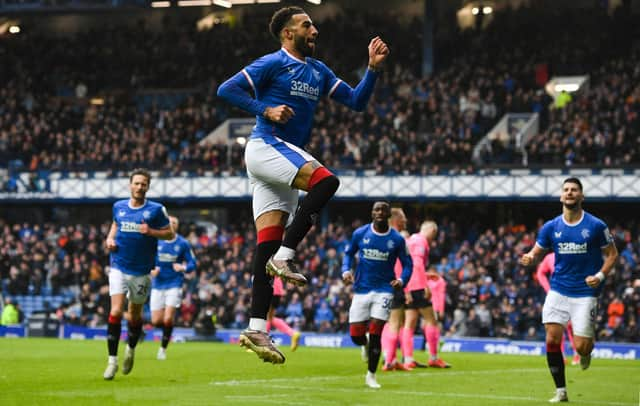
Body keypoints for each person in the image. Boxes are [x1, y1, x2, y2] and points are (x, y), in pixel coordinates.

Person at [217, 6, 389, 364]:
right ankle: (287, 256)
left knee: (265, 247)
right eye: (306, 25)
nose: (315, 30)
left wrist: (372, 69)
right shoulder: (272, 63)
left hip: (280, 159)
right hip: (266, 146)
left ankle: (255, 326)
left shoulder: (318, 71)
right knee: (327, 181)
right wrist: (264, 109)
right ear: (287, 33)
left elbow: (356, 101)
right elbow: (226, 89)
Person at [519, 177, 618, 403]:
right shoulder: (551, 227)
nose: (570, 193)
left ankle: (585, 353)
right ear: (561, 196)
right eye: (566, 190)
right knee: (552, 339)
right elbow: (536, 252)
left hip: (585, 293)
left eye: (574, 190)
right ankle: (561, 391)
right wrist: (530, 257)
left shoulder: (596, 226)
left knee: (582, 347)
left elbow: (612, 254)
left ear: (582, 196)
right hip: (558, 289)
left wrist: (600, 275)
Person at [103, 168, 175, 380]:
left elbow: (170, 233)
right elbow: (115, 224)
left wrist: (151, 232)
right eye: (136, 183)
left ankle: (130, 350)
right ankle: (111, 361)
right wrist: (110, 239)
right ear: (130, 185)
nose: (139, 187)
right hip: (118, 265)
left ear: (147, 187)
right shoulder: (119, 206)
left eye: (143, 184)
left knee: (135, 314)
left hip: (141, 271)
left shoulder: (156, 210)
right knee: (116, 311)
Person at [342, 201, 413, 389]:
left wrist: (402, 280)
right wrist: (345, 271)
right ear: (372, 213)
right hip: (362, 289)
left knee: (376, 332)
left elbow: (408, 264)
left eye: (383, 210)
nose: (380, 212)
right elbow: (348, 254)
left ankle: (371, 375)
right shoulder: (360, 234)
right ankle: (363, 345)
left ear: (389, 214)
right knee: (356, 336)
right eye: (376, 209)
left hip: (385, 290)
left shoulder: (397, 239)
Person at [401, 221, 451, 369]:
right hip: (417, 286)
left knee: (410, 322)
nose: (433, 239)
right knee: (431, 320)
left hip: (408, 284)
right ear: (431, 230)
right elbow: (416, 264)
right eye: (434, 234)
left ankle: (408, 359)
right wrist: (425, 284)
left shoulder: (411, 240)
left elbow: (410, 264)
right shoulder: (420, 241)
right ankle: (433, 357)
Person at [150, 216, 197, 360]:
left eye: (174, 222)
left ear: (177, 226)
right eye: (169, 222)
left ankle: (163, 349)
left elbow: (192, 264)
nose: (171, 224)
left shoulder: (183, 243)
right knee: (156, 321)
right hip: (158, 284)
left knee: (168, 318)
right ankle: (164, 333)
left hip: (174, 284)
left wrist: (183, 267)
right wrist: (151, 269)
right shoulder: (156, 241)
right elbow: (147, 258)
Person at [380, 207, 412, 371]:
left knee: (387, 323)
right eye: (403, 218)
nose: (405, 221)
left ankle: (389, 357)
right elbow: (402, 266)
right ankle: (389, 361)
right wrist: (404, 288)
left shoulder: (378, 236)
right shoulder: (398, 239)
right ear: (395, 220)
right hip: (393, 284)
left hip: (378, 285)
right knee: (395, 323)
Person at [536, 252, 580, 365]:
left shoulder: (572, 255)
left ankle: (577, 354)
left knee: (571, 326)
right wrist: (548, 289)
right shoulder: (549, 257)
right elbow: (540, 273)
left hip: (571, 294)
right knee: (556, 327)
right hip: (556, 296)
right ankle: (561, 355)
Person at [265, 277, 301, 351]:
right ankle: (293, 333)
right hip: (278, 289)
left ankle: (263, 342)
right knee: (269, 317)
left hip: (269, 287)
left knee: (265, 316)